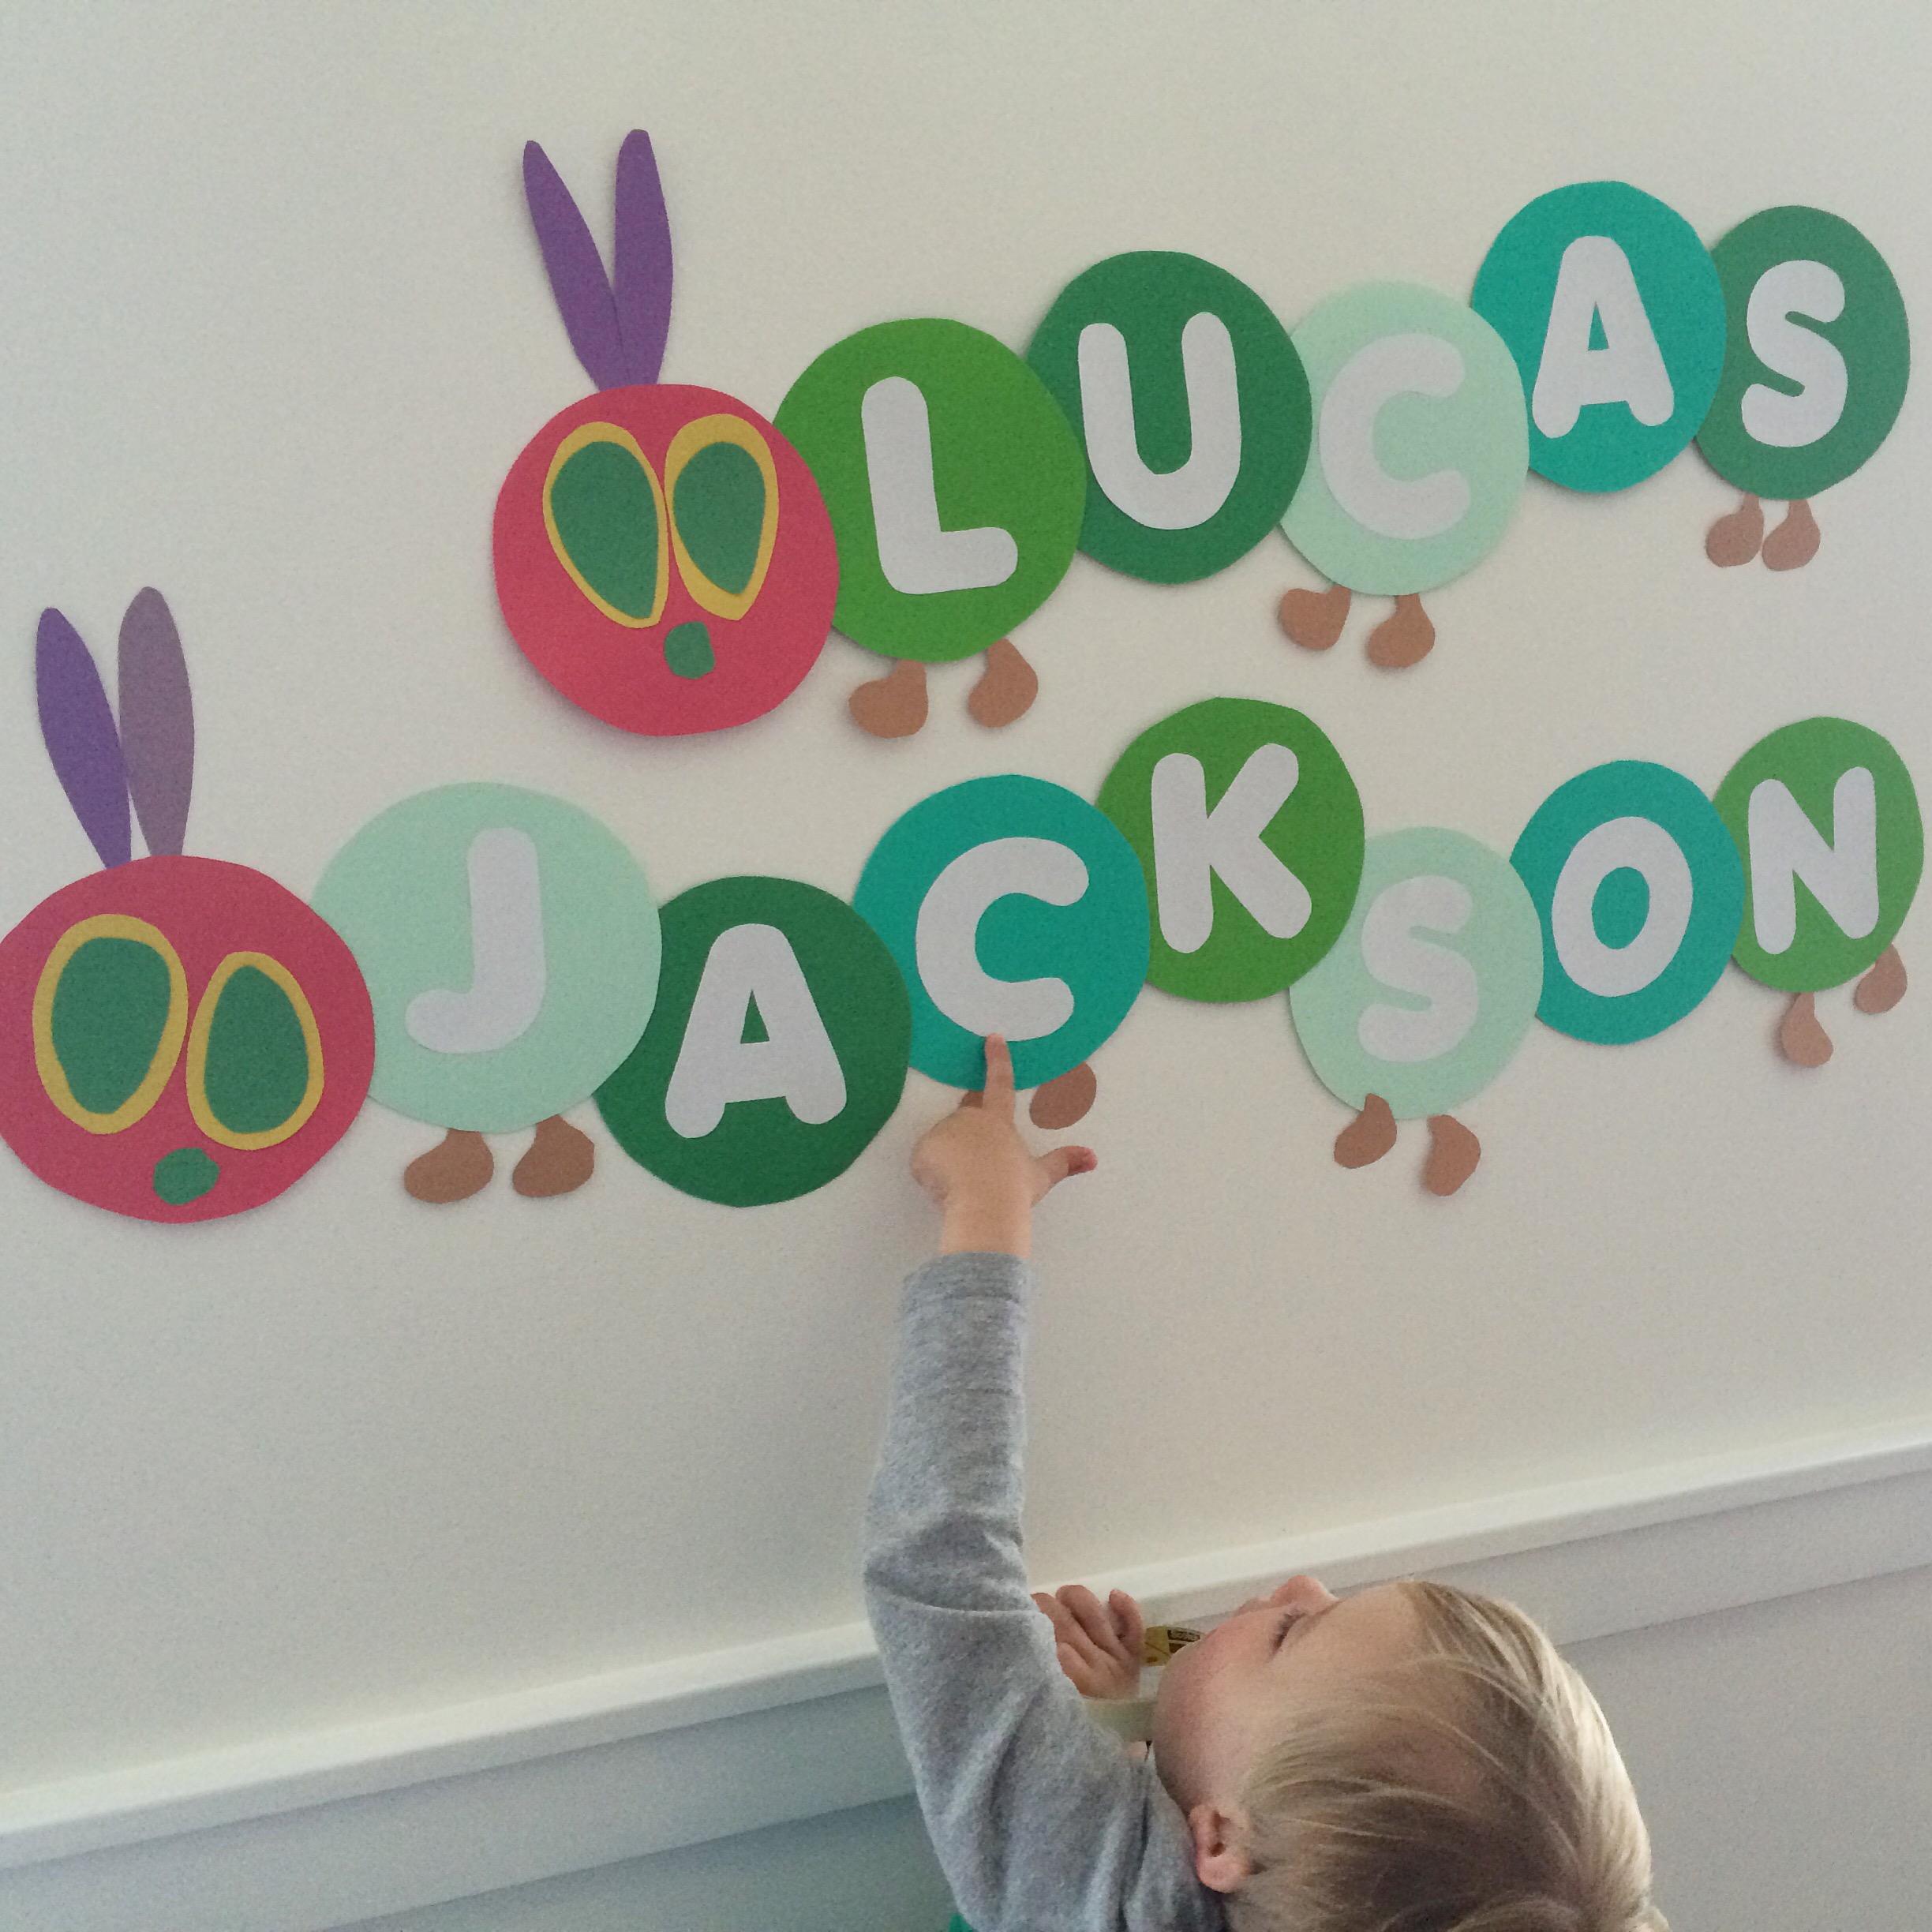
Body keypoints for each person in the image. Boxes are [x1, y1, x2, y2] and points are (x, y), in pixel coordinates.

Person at [863, 1036, 1667, 1932]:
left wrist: (985, 1213)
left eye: (1291, 1631)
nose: (1301, 1584)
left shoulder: (1088, 1888)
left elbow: (944, 1566)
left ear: (1218, 1841)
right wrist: (1114, 1723)